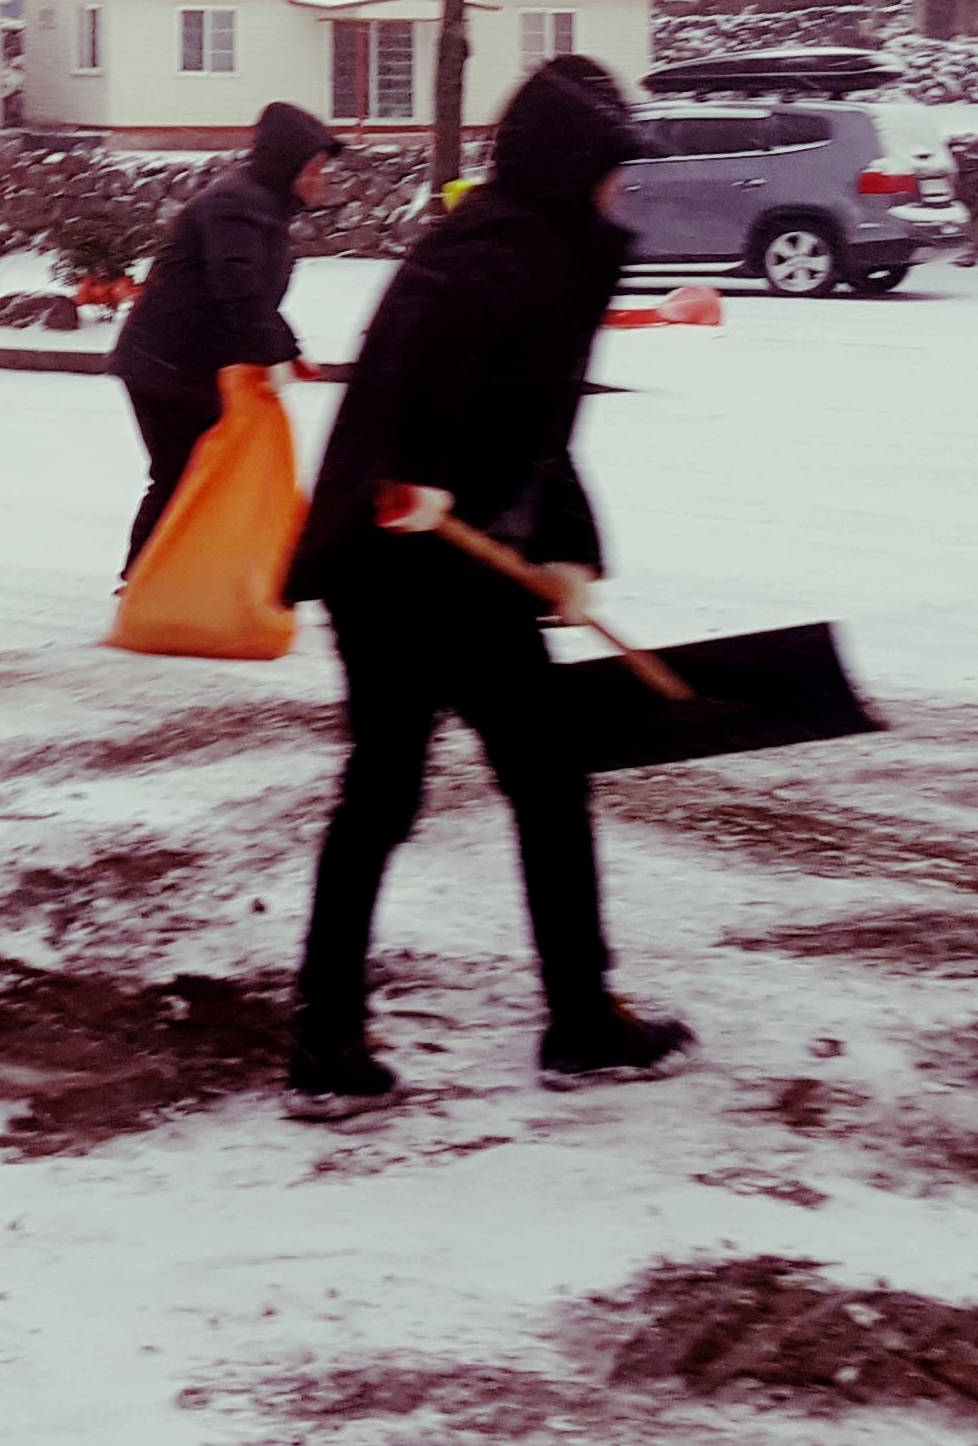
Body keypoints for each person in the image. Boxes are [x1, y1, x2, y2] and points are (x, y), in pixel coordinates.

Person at [281, 54, 690, 1106]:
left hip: (428, 563)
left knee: (417, 790)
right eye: (609, 167)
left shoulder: (530, 250)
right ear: (569, 168)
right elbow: (415, 391)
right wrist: (411, 484)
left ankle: (330, 1033)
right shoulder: (499, 261)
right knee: (501, 783)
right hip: (409, 568)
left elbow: (533, 432)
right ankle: (574, 1019)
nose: (619, 189)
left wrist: (564, 549)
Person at [108, 102, 343, 570]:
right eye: (317, 167)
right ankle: (147, 580)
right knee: (182, 472)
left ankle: (180, 576)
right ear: (289, 166)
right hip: (167, 365)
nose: (324, 178)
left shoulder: (259, 206)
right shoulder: (237, 206)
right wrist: (273, 352)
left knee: (202, 472)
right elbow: (236, 285)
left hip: (187, 361)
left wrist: (286, 349)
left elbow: (250, 291)